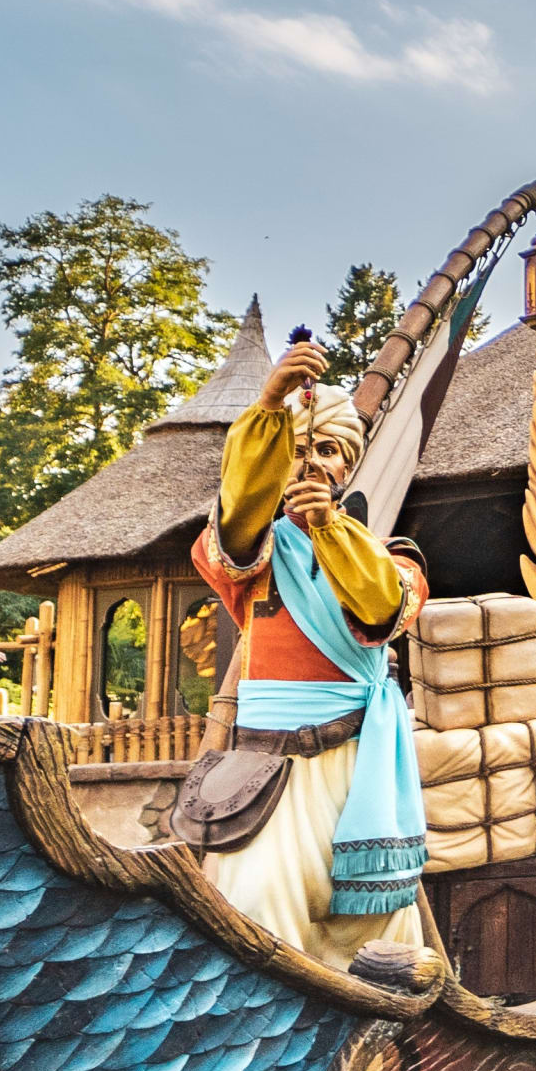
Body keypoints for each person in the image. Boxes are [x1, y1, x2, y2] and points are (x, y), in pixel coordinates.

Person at [184, 334, 442, 970]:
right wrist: (270, 406)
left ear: (346, 468)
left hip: (360, 765)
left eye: (327, 451)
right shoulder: (254, 551)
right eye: (296, 451)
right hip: (267, 772)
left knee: (378, 925)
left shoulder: (395, 558)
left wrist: (330, 529)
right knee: (253, 908)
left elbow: (379, 606)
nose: (311, 464)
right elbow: (240, 507)